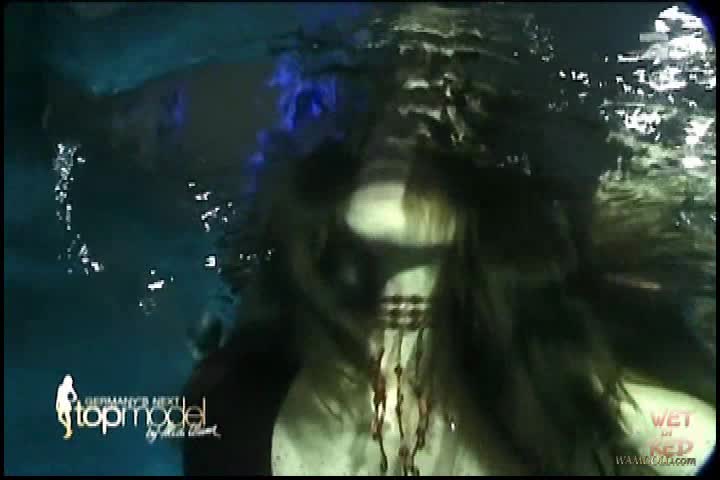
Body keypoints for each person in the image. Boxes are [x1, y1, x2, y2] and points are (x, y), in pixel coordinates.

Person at [182, 4, 715, 476]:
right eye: (395, 96)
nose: (417, 107)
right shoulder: (225, 407)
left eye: (461, 97)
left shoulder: (623, 422)